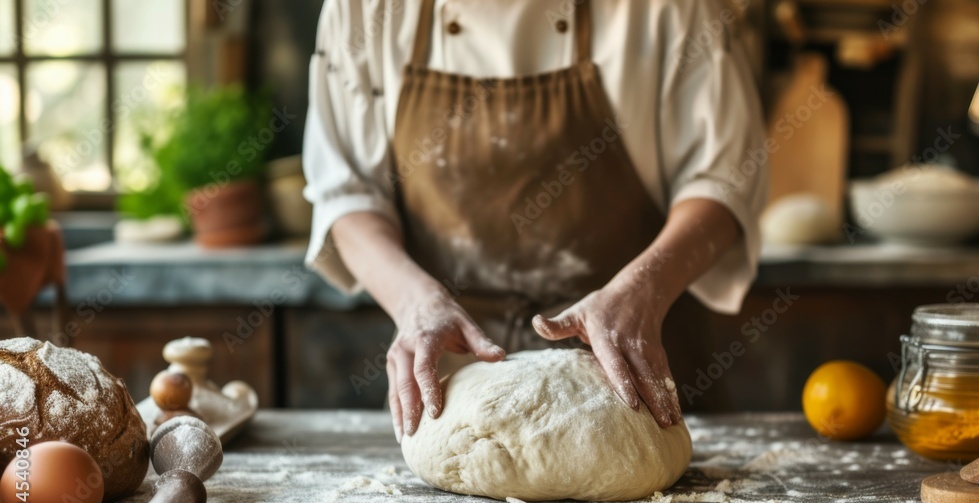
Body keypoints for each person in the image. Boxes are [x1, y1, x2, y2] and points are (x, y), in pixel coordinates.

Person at [304, 0, 767, 441]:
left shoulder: (668, 9)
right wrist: (414, 305)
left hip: (638, 375)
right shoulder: (364, 12)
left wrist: (643, 290)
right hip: (456, 394)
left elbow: (725, 181)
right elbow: (346, 193)